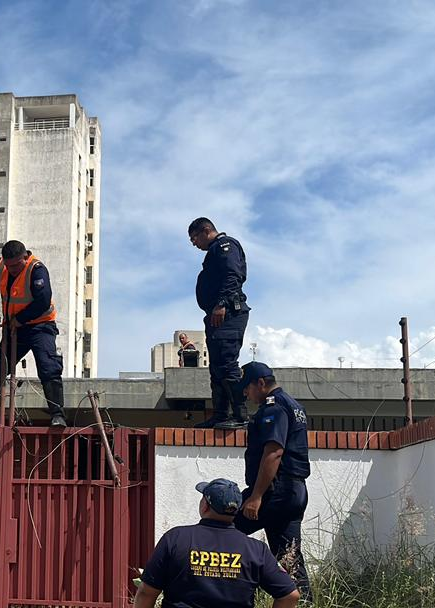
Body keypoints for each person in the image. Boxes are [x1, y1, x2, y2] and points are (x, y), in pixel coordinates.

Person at [134, 477, 300, 608]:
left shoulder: (175, 538)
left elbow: (146, 593)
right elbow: (290, 596)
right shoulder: (256, 549)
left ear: (205, 505)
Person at [0, 240, 67, 427]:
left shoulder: (36, 269)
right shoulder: (1, 267)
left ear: (24, 257)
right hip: (14, 329)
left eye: (15, 265)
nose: (11, 269)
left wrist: (20, 318)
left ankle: (58, 415)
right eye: (8, 265)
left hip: (40, 326)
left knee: (48, 367)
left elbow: (43, 301)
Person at [233, 361, 312, 602]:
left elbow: (274, 453)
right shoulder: (293, 404)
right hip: (294, 491)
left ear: (260, 383)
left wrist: (256, 497)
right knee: (289, 556)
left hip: (274, 491)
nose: (246, 394)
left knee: (222, 529)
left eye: (247, 388)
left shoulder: (274, 407)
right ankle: (305, 602)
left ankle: (224, 594)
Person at [188, 217, 249, 428]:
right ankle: (221, 415)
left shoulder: (225, 246)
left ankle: (240, 416)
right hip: (216, 316)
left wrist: (221, 303)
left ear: (206, 231)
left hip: (228, 313)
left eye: (194, 238)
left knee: (227, 363)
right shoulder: (214, 251)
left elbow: (233, 275)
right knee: (216, 367)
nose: (194, 244)